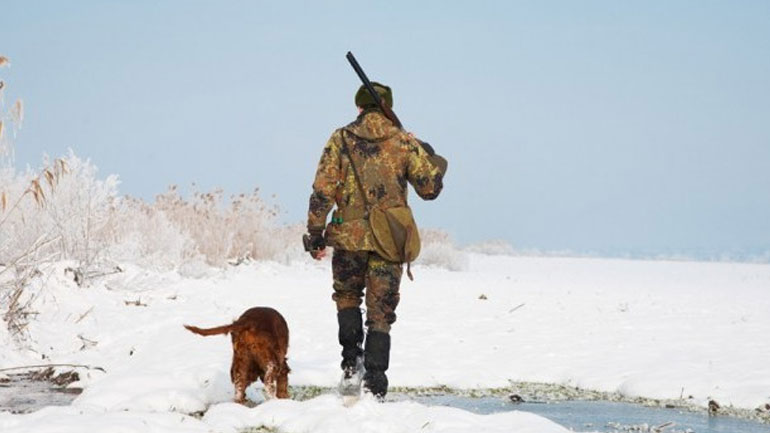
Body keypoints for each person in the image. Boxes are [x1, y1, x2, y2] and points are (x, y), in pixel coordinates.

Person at [304, 82, 447, 399]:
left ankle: (350, 369)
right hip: (390, 240)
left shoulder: (340, 138)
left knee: (347, 299)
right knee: (381, 313)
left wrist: (316, 234)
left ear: (359, 107)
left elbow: (322, 190)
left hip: (347, 238)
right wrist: (425, 152)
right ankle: (376, 383)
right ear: (386, 107)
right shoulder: (403, 141)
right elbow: (430, 189)